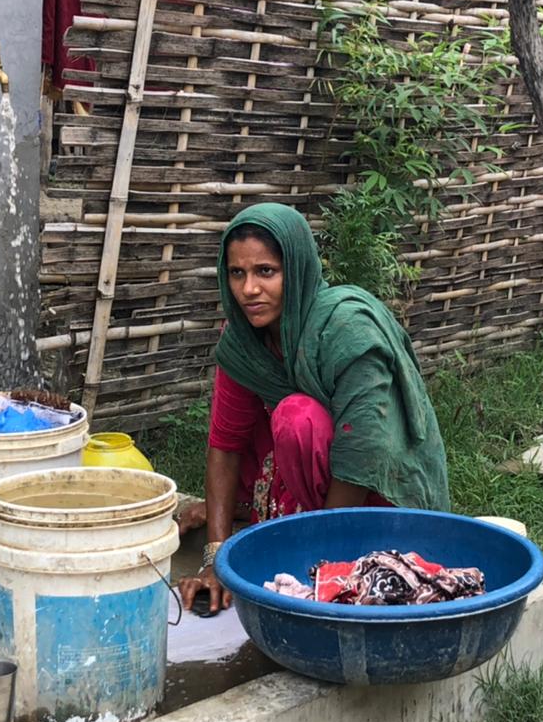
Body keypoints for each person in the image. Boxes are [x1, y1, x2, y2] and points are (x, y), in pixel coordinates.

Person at [177, 203, 450, 613]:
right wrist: (216, 561)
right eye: (237, 273)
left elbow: (362, 453)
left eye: (265, 272)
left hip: (376, 492)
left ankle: (327, 546)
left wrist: (318, 564)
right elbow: (225, 443)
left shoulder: (346, 329)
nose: (249, 289)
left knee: (296, 416)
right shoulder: (243, 340)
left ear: (297, 269)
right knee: (268, 421)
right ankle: (274, 523)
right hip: (307, 475)